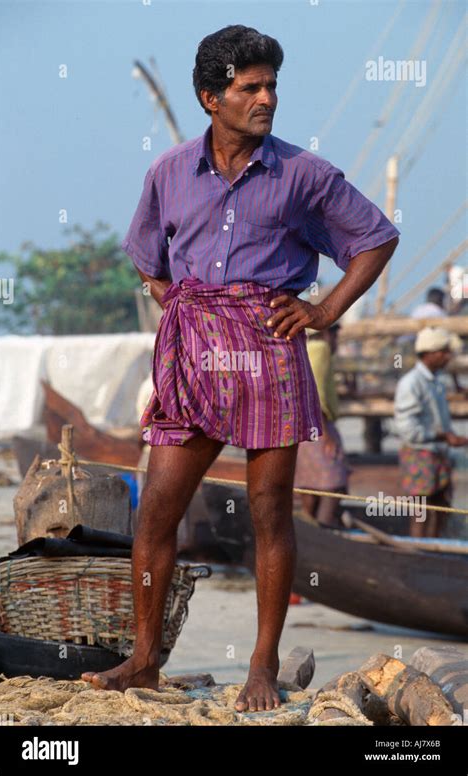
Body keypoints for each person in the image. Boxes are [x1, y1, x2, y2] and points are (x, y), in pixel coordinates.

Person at [81, 25, 400, 713]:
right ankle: (143, 660)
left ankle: (261, 667)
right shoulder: (168, 172)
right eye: (249, 87)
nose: (267, 98)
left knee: (269, 516)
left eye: (272, 85)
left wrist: (324, 312)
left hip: (269, 349)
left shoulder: (304, 175)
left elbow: (376, 238)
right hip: (193, 355)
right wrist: (182, 311)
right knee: (156, 514)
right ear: (210, 98)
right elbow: (145, 255)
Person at [394, 327, 467, 539]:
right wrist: (444, 436)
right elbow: (408, 429)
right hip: (420, 454)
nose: (448, 356)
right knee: (421, 512)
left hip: (437, 454)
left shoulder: (436, 382)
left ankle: (434, 548)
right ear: (429, 354)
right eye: (444, 352)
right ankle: (419, 551)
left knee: (441, 506)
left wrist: (446, 437)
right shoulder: (411, 383)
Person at [294, 324, 350, 528]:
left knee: (311, 485)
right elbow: (315, 390)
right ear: (327, 334)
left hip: (304, 427)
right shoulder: (321, 349)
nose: (336, 342)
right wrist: (326, 434)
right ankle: (324, 529)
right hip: (318, 427)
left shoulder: (308, 347)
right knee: (333, 483)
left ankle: (310, 529)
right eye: (335, 337)